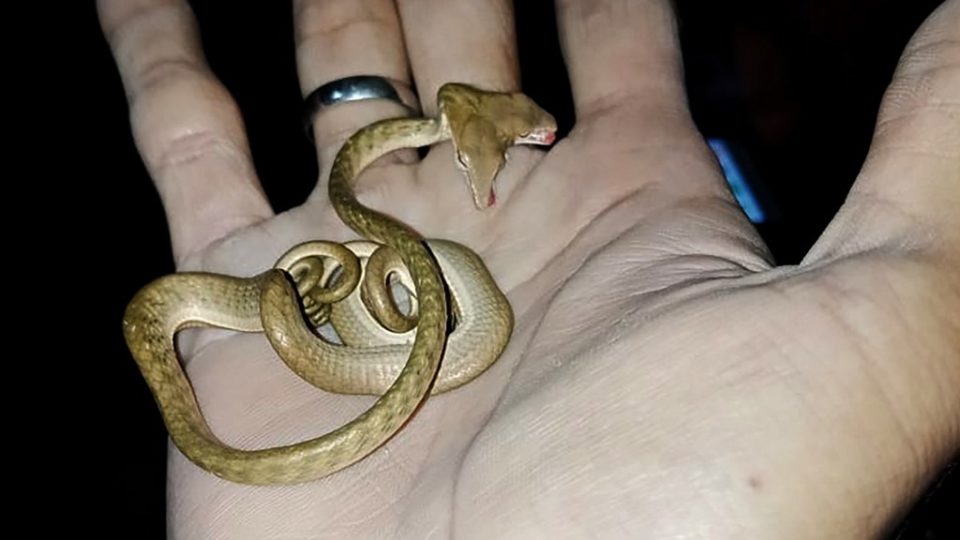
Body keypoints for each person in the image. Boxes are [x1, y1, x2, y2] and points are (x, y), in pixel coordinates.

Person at [97, 0, 959, 537]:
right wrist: (336, 290)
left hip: (374, 288)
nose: (530, 143)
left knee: (400, 290)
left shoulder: (371, 265)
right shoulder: (327, 283)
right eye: (520, 138)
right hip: (359, 287)